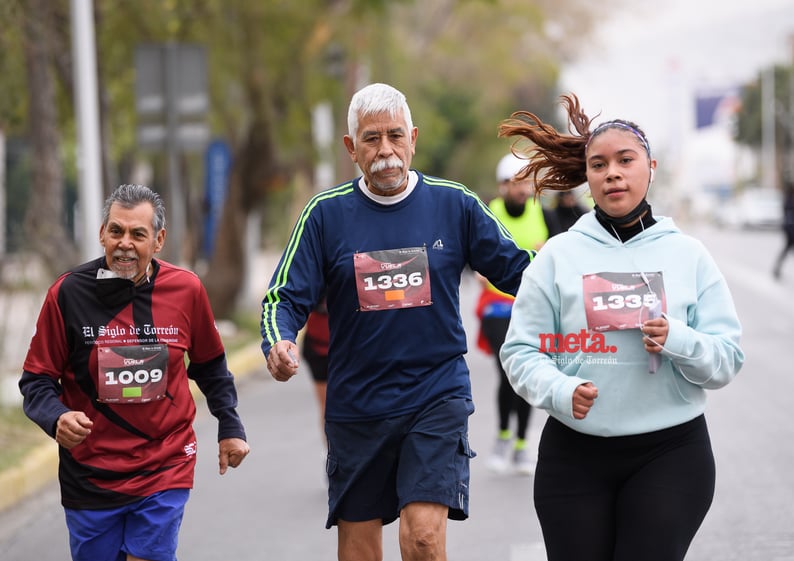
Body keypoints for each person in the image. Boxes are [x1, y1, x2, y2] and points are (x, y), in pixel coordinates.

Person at [260, 82, 534, 561]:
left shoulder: (454, 204)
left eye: (394, 135)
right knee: (360, 550)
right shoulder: (324, 216)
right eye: (371, 139)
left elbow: (519, 269)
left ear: (413, 138)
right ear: (351, 148)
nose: (385, 150)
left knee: (423, 538)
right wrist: (278, 341)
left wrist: (581, 261)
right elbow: (284, 296)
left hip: (435, 392)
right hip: (358, 402)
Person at [496, 94, 745, 561]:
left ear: (650, 166)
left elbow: (726, 359)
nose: (612, 172)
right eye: (599, 164)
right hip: (574, 456)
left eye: (625, 160)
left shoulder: (688, 255)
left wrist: (679, 338)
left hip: (671, 452)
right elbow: (520, 351)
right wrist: (560, 389)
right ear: (587, 177)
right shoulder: (558, 256)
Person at [18, 184, 249, 561]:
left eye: (137, 234)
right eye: (116, 231)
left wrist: (230, 425)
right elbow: (36, 380)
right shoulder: (68, 294)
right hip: (91, 474)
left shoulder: (186, 290)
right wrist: (56, 417)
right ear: (102, 234)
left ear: (158, 240)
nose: (125, 243)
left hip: (164, 464)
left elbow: (210, 367)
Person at [475, 153, 561, 475]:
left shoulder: (542, 215)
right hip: (496, 305)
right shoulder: (488, 213)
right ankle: (502, 436)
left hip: (530, 305)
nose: (522, 189)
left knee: (524, 371)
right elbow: (471, 251)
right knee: (506, 369)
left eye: (525, 182)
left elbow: (558, 250)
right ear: (502, 186)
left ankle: (522, 444)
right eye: (515, 183)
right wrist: (476, 270)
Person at [302, 296, 329, 431]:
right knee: (328, 406)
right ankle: (332, 451)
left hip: (354, 347)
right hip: (318, 346)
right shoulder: (316, 277)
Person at [772, 181, 794, 279]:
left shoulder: (787, 199)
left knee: (785, 250)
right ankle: (776, 269)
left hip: (788, 228)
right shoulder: (789, 200)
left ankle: (777, 269)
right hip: (790, 229)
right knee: (786, 250)